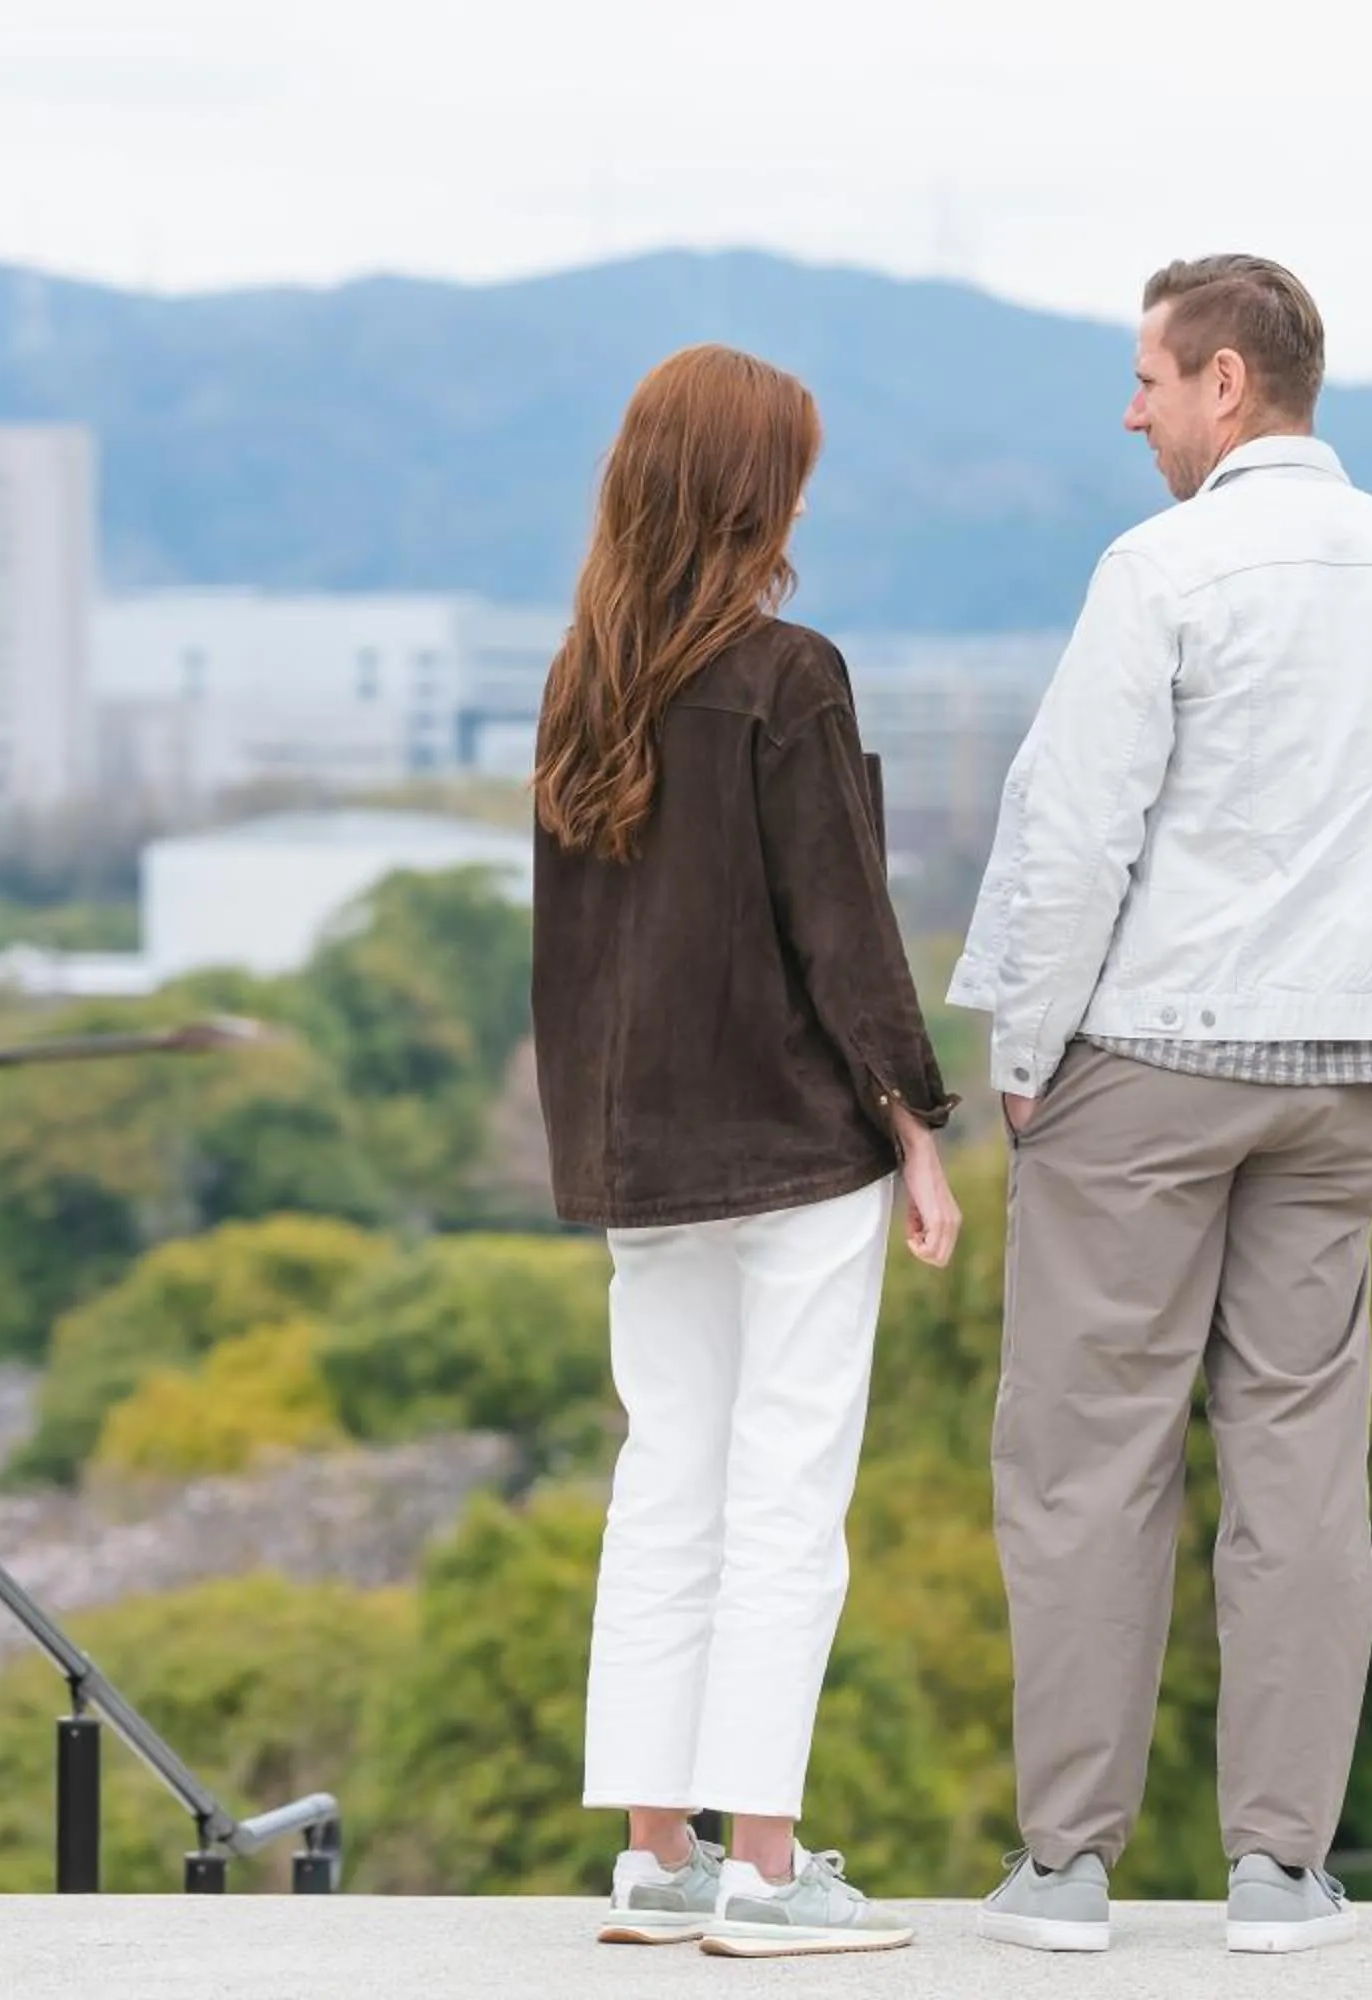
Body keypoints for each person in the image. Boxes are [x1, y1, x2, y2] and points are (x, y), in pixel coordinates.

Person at [948, 254, 1372, 1956]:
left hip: (1152, 1056)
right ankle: (1281, 1871)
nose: (1130, 411)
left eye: (1148, 376)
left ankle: (1068, 1868)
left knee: (1085, 1460)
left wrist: (1023, 1054)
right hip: (1352, 1074)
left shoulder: (1163, 568)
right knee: (1300, 1463)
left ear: (1226, 383)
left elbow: (1075, 830)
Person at [531, 343, 961, 1958]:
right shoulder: (789, 674)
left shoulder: (587, 676)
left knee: (667, 1483)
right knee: (785, 1495)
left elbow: (569, 958)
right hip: (790, 1145)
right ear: (754, 488)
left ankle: (659, 1858)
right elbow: (842, 927)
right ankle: (771, 1873)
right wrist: (917, 1129)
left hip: (642, 1157)